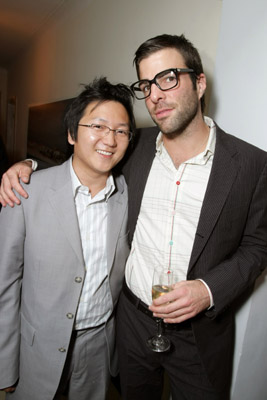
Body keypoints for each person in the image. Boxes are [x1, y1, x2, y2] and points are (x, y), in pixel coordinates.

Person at [1, 34, 267, 400]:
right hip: (131, 324)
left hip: (200, 335)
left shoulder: (251, 164)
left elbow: (258, 244)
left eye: (168, 78)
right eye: (146, 84)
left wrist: (208, 290)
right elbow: (86, 159)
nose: (155, 94)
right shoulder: (136, 144)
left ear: (200, 82)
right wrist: (26, 166)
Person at [0, 77, 135, 400]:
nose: (110, 139)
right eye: (98, 126)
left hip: (98, 347)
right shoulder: (26, 191)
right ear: (72, 134)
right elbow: (4, 285)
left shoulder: (129, 195)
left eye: (121, 131)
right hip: (34, 348)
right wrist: (4, 365)